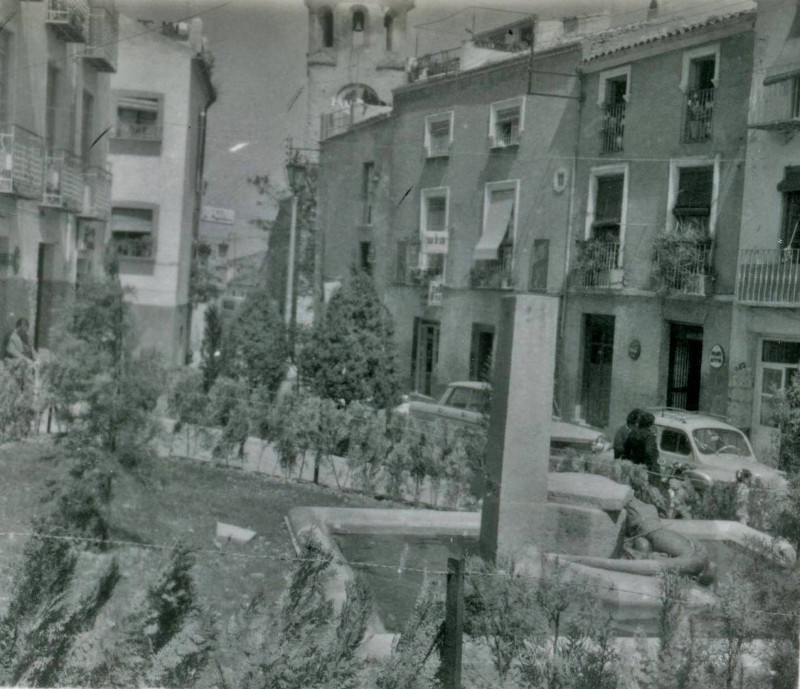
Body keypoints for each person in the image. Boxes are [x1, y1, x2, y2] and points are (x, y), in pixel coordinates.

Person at [624, 411, 661, 483]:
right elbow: (649, 451)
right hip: (648, 469)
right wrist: (649, 464)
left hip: (634, 465)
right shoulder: (649, 436)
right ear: (650, 424)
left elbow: (626, 449)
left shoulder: (632, 433)